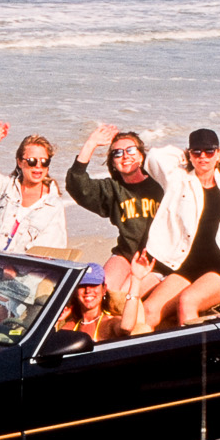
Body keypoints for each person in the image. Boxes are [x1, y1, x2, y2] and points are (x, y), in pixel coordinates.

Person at [138, 128, 220, 329]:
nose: (203, 157)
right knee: (149, 309)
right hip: (187, 264)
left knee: (188, 300)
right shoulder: (179, 181)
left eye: (209, 152)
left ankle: (193, 357)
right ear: (190, 154)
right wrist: (185, 156)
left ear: (218, 153)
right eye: (197, 152)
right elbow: (155, 157)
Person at [65, 124, 163, 314]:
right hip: (126, 254)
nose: (125, 156)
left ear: (142, 155)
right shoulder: (112, 189)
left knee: (122, 300)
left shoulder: (161, 183)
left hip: (159, 259)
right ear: (113, 163)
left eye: (130, 150)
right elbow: (77, 184)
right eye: (117, 153)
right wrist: (91, 143)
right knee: (105, 294)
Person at [0, 123, 69, 254]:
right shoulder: (6, 188)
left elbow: (50, 252)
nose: (38, 167)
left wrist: (15, 269)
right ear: (20, 162)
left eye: (44, 162)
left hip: (26, 272)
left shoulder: (53, 205)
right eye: (32, 161)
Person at [53, 265, 142, 342]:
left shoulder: (109, 323)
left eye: (93, 285)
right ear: (76, 291)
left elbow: (126, 327)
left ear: (104, 289)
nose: (88, 290)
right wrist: (56, 321)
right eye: (82, 285)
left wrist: (136, 280)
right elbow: (52, 347)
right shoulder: (71, 325)